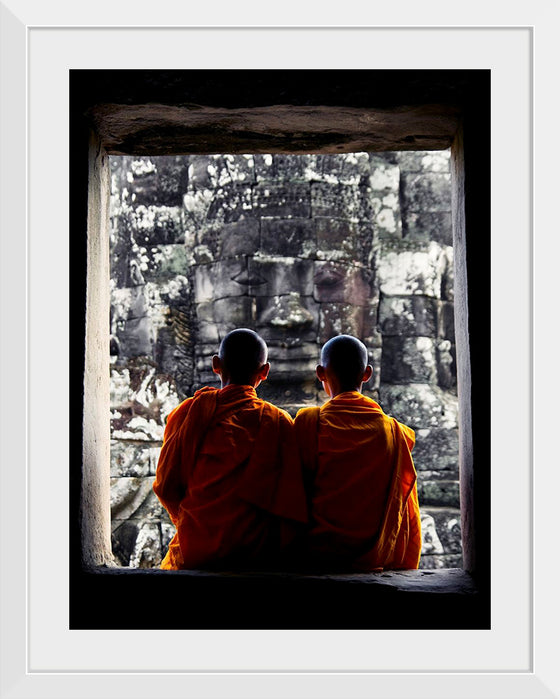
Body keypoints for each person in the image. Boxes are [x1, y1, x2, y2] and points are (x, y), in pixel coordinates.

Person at [153, 328, 307, 570]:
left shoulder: (188, 414)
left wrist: (191, 522)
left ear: (216, 364)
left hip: (195, 549)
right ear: (265, 372)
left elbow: (166, 486)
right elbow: (291, 506)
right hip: (255, 555)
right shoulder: (278, 422)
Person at [294, 334, 421, 572]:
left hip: (317, 555)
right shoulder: (392, 431)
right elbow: (403, 507)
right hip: (374, 557)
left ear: (321, 373)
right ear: (367, 374)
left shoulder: (308, 423)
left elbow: (291, 493)